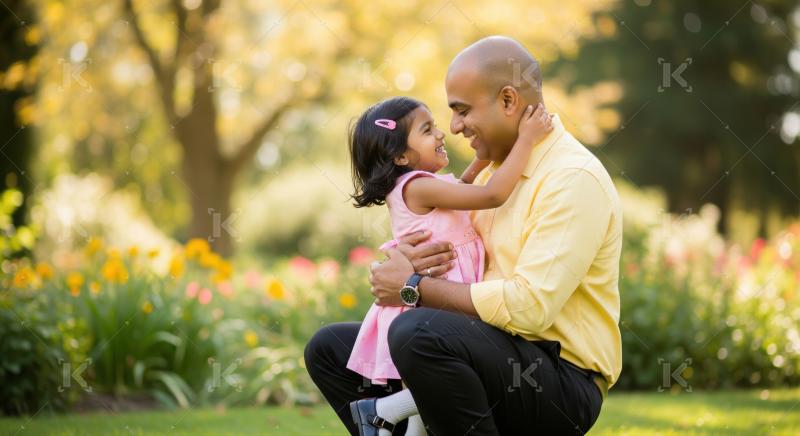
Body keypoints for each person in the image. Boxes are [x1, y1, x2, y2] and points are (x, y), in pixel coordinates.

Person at [307, 35, 622, 435]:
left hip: (559, 379)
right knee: (330, 349)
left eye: (461, 111)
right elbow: (446, 239)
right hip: (486, 349)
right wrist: (412, 257)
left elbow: (529, 307)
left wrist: (412, 288)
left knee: (416, 333)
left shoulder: (571, 179)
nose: (453, 127)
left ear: (508, 101)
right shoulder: (494, 172)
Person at [342, 96, 553, 436]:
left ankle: (383, 419)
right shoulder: (418, 186)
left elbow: (463, 192)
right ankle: (379, 411)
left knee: (422, 423)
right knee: (447, 382)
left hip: (435, 294)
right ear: (401, 157)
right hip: (438, 295)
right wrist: (526, 140)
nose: (442, 134)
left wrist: (483, 158)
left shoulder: (424, 186)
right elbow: (490, 196)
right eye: (427, 130)